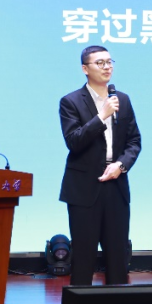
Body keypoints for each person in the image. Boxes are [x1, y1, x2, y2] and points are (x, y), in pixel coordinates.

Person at [59, 45, 141, 285]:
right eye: (100, 63)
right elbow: (74, 142)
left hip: (116, 185)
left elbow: (134, 141)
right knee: (83, 258)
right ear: (85, 69)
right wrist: (101, 116)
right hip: (84, 188)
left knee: (118, 256)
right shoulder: (70, 102)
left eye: (109, 62)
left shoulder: (122, 99)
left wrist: (121, 165)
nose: (107, 67)